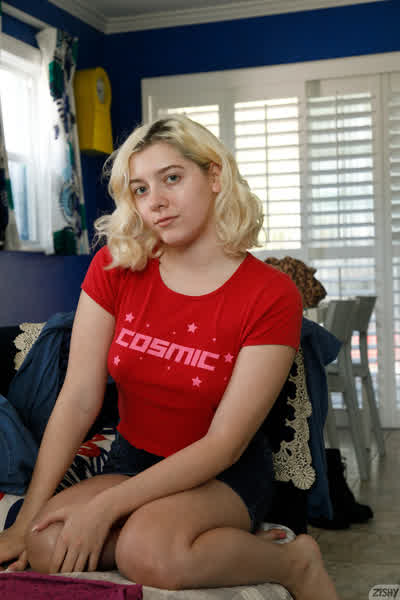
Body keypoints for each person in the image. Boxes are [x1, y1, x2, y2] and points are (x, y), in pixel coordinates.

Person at [0, 115, 339, 599]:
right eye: (140, 189)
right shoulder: (116, 266)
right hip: (133, 460)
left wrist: (107, 507)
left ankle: (294, 561)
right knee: (45, 542)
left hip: (222, 474)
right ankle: (192, 539)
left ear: (214, 176)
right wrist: (27, 518)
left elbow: (224, 443)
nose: (155, 201)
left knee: (149, 551)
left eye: (172, 178)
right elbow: (77, 399)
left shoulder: (271, 294)